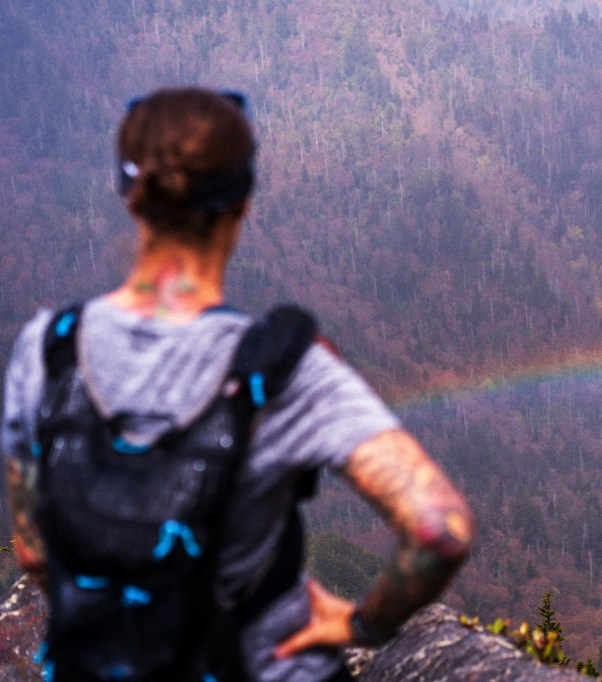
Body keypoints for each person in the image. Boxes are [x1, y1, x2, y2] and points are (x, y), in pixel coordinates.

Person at [1, 87, 473, 681]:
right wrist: (363, 626)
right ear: (244, 202)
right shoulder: (282, 370)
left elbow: (33, 549)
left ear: (131, 198)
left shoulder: (47, 350)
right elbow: (440, 530)